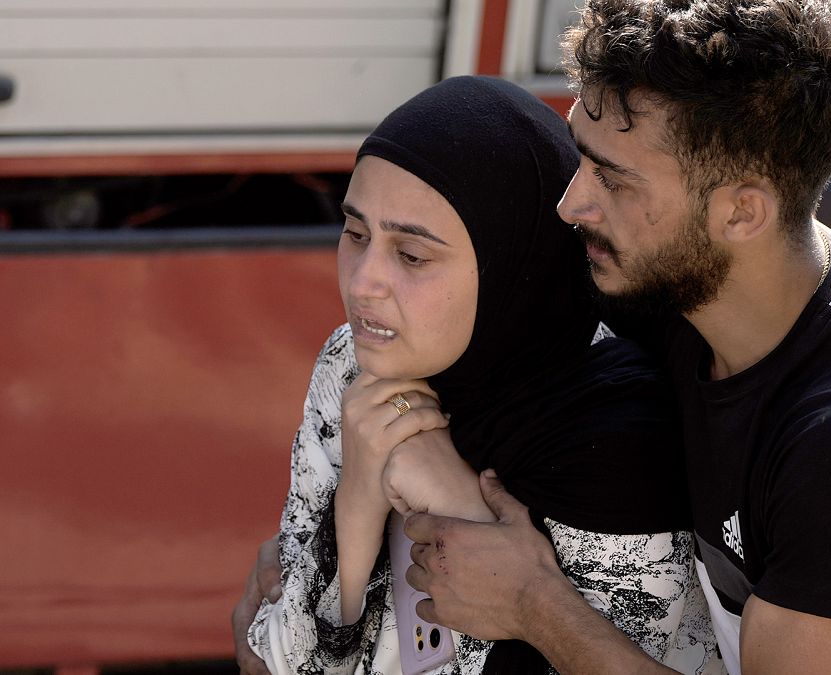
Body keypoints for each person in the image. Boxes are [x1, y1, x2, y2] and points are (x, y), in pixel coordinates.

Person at [395, 1, 831, 674]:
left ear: (742, 211)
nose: (571, 202)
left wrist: (533, 601)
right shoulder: (707, 279)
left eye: (612, 177)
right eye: (583, 158)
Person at [235, 75, 718, 674]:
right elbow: (273, 658)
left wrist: (459, 505)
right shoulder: (354, 366)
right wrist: (356, 512)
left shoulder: (619, 444)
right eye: (355, 234)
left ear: (511, 266)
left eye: (412, 256)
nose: (362, 283)